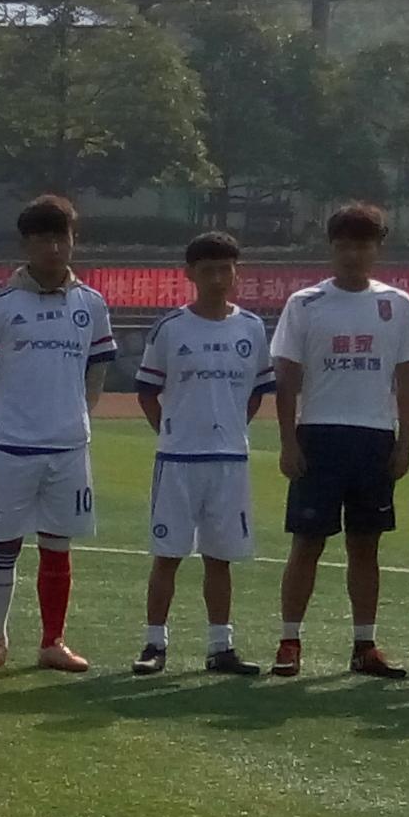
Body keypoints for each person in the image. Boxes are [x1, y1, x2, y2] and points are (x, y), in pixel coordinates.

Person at [266, 200, 409, 679]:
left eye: (364, 245)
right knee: (307, 543)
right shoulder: (305, 303)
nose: (354, 254)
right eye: (345, 245)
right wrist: (288, 441)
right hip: (319, 436)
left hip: (374, 438)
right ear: (332, 248)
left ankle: (364, 645)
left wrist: (404, 443)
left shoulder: (397, 304)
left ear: (378, 248)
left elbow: (407, 378)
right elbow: (286, 378)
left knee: (365, 547)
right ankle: (289, 640)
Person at [0, 192, 113, 674]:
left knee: (57, 545)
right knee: (3, 545)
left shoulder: (91, 303)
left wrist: (76, 415)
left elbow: (97, 371)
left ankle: (53, 642)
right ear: (26, 243)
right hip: (11, 445)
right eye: (43, 238)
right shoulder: (1, 304)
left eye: (61, 237)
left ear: (73, 240)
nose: (54, 247)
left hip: (67, 446)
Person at [131, 230, 271, 676]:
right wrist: (172, 432)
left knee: (220, 557)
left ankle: (220, 647)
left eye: (225, 269)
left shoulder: (251, 328)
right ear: (190, 273)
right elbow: (147, 391)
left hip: (229, 460)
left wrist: (232, 427)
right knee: (168, 555)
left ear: (236, 272)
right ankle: (154, 644)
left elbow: (256, 392)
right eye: (208, 270)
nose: (217, 278)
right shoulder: (171, 328)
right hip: (178, 460)